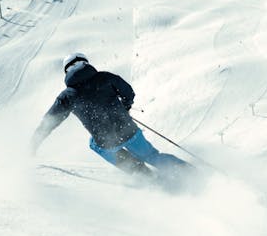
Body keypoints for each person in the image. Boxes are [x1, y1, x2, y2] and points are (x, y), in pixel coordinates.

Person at [30, 53, 189, 177]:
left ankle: (141, 173)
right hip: (129, 131)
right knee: (152, 156)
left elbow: (49, 122)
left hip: (106, 142)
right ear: (85, 62)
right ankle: (188, 172)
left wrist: (34, 143)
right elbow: (128, 92)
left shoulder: (68, 96)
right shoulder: (105, 77)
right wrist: (125, 107)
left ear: (67, 71)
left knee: (94, 144)